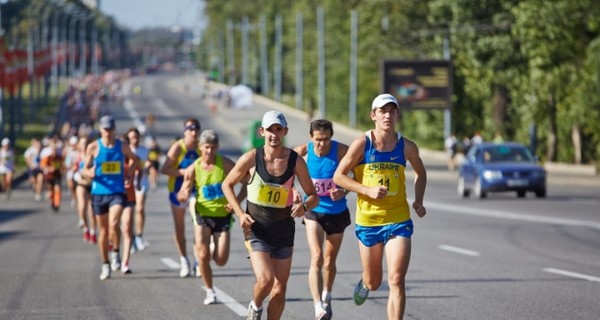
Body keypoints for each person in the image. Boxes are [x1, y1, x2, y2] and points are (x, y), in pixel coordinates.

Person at [333, 94, 427, 319]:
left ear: (397, 114)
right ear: (373, 115)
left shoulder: (407, 146)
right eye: (383, 111)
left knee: (396, 279)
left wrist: (419, 200)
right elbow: (339, 176)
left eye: (392, 111)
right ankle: (366, 281)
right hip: (369, 221)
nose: (388, 115)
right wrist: (366, 190)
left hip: (398, 219)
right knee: (375, 282)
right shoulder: (362, 144)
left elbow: (421, 173)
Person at [222, 110, 319, 320]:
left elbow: (313, 196)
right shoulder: (251, 158)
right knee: (266, 280)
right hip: (257, 229)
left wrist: (304, 206)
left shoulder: (295, 161)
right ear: (261, 132)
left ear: (285, 131)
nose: (274, 134)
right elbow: (227, 184)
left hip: (284, 230)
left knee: (279, 290)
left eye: (278, 129)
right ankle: (255, 306)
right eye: (269, 130)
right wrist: (240, 213)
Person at [178, 130, 247, 305]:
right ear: (200, 148)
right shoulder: (193, 167)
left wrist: (236, 201)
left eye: (213, 148)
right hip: (202, 214)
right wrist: (184, 193)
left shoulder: (224, 163)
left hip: (223, 215)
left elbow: (247, 181)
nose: (209, 151)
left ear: (217, 148)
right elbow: (183, 189)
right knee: (202, 254)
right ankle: (210, 291)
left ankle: (212, 244)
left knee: (221, 260)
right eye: (206, 147)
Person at [293, 119, 350, 320]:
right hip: (314, 210)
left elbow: (361, 176)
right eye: (318, 139)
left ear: (331, 138)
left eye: (326, 139)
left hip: (337, 212)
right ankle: (318, 307)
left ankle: (327, 294)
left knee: (329, 262)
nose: (322, 144)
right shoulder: (302, 151)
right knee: (316, 256)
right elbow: (284, 172)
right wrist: (293, 191)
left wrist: (344, 190)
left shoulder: (342, 150)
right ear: (311, 137)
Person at [82, 115, 140, 280]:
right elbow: (84, 168)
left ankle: (115, 252)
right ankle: (105, 263)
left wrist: (129, 174)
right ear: (100, 130)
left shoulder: (122, 146)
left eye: (110, 129)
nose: (107, 132)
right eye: (105, 129)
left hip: (117, 192)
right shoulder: (93, 147)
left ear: (114, 130)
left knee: (114, 223)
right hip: (99, 193)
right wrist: (89, 172)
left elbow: (136, 160)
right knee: (104, 231)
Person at [160, 118, 201, 277]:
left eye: (196, 128)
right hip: (177, 191)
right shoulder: (178, 147)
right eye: (190, 129)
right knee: (180, 228)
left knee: (198, 225)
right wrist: (182, 173)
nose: (193, 132)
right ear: (185, 131)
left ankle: (198, 260)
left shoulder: (201, 147)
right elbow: (164, 169)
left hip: (195, 191)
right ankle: (184, 260)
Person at [126, 128, 151, 251]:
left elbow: (150, 163)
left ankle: (139, 235)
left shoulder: (144, 151)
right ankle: (130, 238)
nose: (134, 140)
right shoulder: (126, 151)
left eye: (136, 137)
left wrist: (148, 166)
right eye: (131, 138)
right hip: (128, 185)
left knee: (140, 208)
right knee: (129, 213)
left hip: (142, 182)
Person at [73, 136, 97, 244]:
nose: (84, 145)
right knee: (82, 207)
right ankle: (85, 228)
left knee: (91, 210)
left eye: (86, 143)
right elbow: (71, 169)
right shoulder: (76, 156)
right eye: (82, 143)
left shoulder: (94, 156)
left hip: (92, 185)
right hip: (81, 184)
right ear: (78, 145)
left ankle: (92, 231)